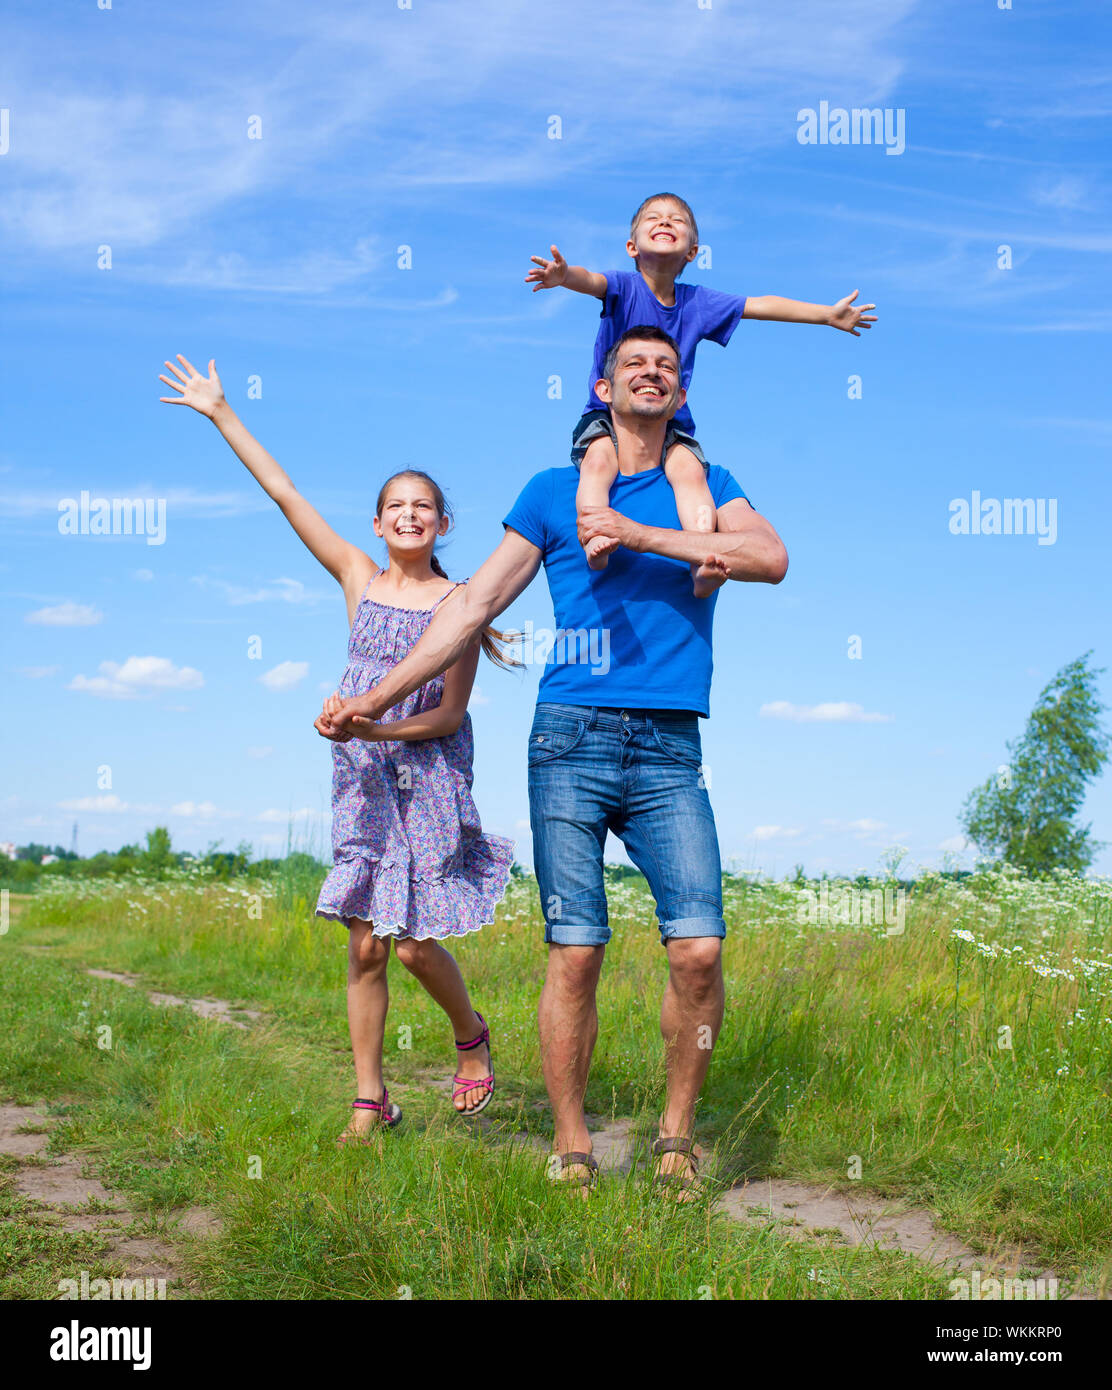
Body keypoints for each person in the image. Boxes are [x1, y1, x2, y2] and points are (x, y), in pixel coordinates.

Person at [318, 326, 788, 1195]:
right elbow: (471, 608)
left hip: (671, 746)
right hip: (568, 737)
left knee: (699, 951)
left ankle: (675, 1136)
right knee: (577, 951)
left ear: (680, 397)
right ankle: (572, 1144)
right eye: (633, 366)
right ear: (603, 391)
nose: (651, 374)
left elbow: (770, 558)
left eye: (667, 368)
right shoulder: (551, 491)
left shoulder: (710, 488)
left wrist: (639, 536)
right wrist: (376, 701)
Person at [158, 354, 515, 1143]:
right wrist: (221, 413)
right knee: (365, 946)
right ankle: (369, 1099)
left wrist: (374, 725)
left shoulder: (461, 605)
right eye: (397, 506)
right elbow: (285, 494)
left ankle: (470, 1035)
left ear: (444, 525)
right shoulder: (357, 576)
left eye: (426, 507)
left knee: (417, 946)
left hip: (425, 777)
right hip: (360, 780)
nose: (412, 515)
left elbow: (449, 717)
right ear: (379, 524)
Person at [525, 191, 872, 593]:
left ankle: (703, 562)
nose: (665, 222)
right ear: (631, 247)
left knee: (689, 474)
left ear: (693, 251)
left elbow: (760, 305)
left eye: (677, 220)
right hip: (607, 415)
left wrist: (826, 315)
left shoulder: (699, 302)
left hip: (671, 421)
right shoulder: (623, 287)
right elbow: (591, 281)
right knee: (599, 460)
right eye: (653, 218)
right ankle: (594, 534)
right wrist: (562, 277)